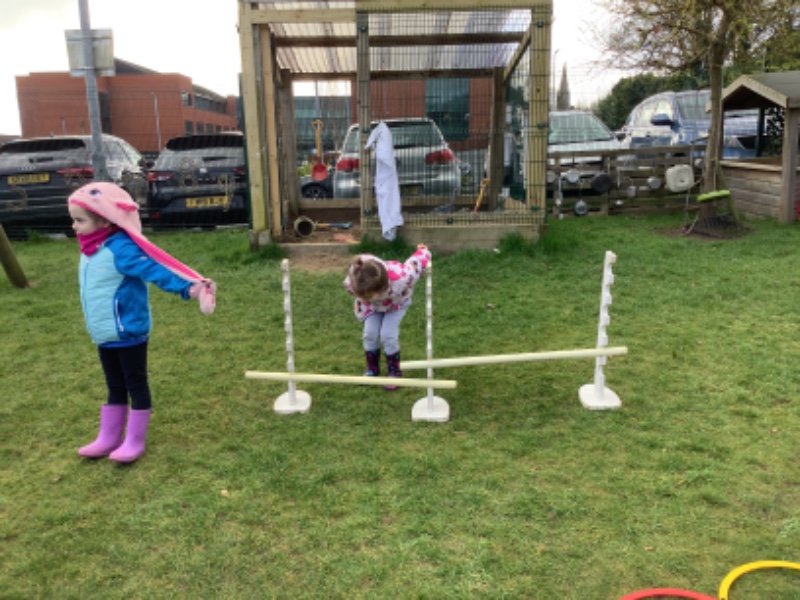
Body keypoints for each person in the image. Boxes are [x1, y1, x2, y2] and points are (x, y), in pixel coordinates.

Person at [68, 182, 216, 463]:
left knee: (135, 384)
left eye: (80, 220)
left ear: (104, 220)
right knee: (114, 385)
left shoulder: (121, 249)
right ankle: (109, 437)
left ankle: (134, 440)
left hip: (128, 332)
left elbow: (155, 270)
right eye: (73, 220)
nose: (74, 226)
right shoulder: (90, 249)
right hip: (104, 333)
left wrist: (189, 287)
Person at [344, 244, 431, 390]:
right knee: (369, 334)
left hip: (395, 305)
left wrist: (423, 251)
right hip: (372, 307)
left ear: (381, 287)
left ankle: (394, 372)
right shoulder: (356, 276)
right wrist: (367, 299)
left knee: (387, 335)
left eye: (370, 295)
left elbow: (416, 263)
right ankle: (372, 369)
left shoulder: (402, 277)